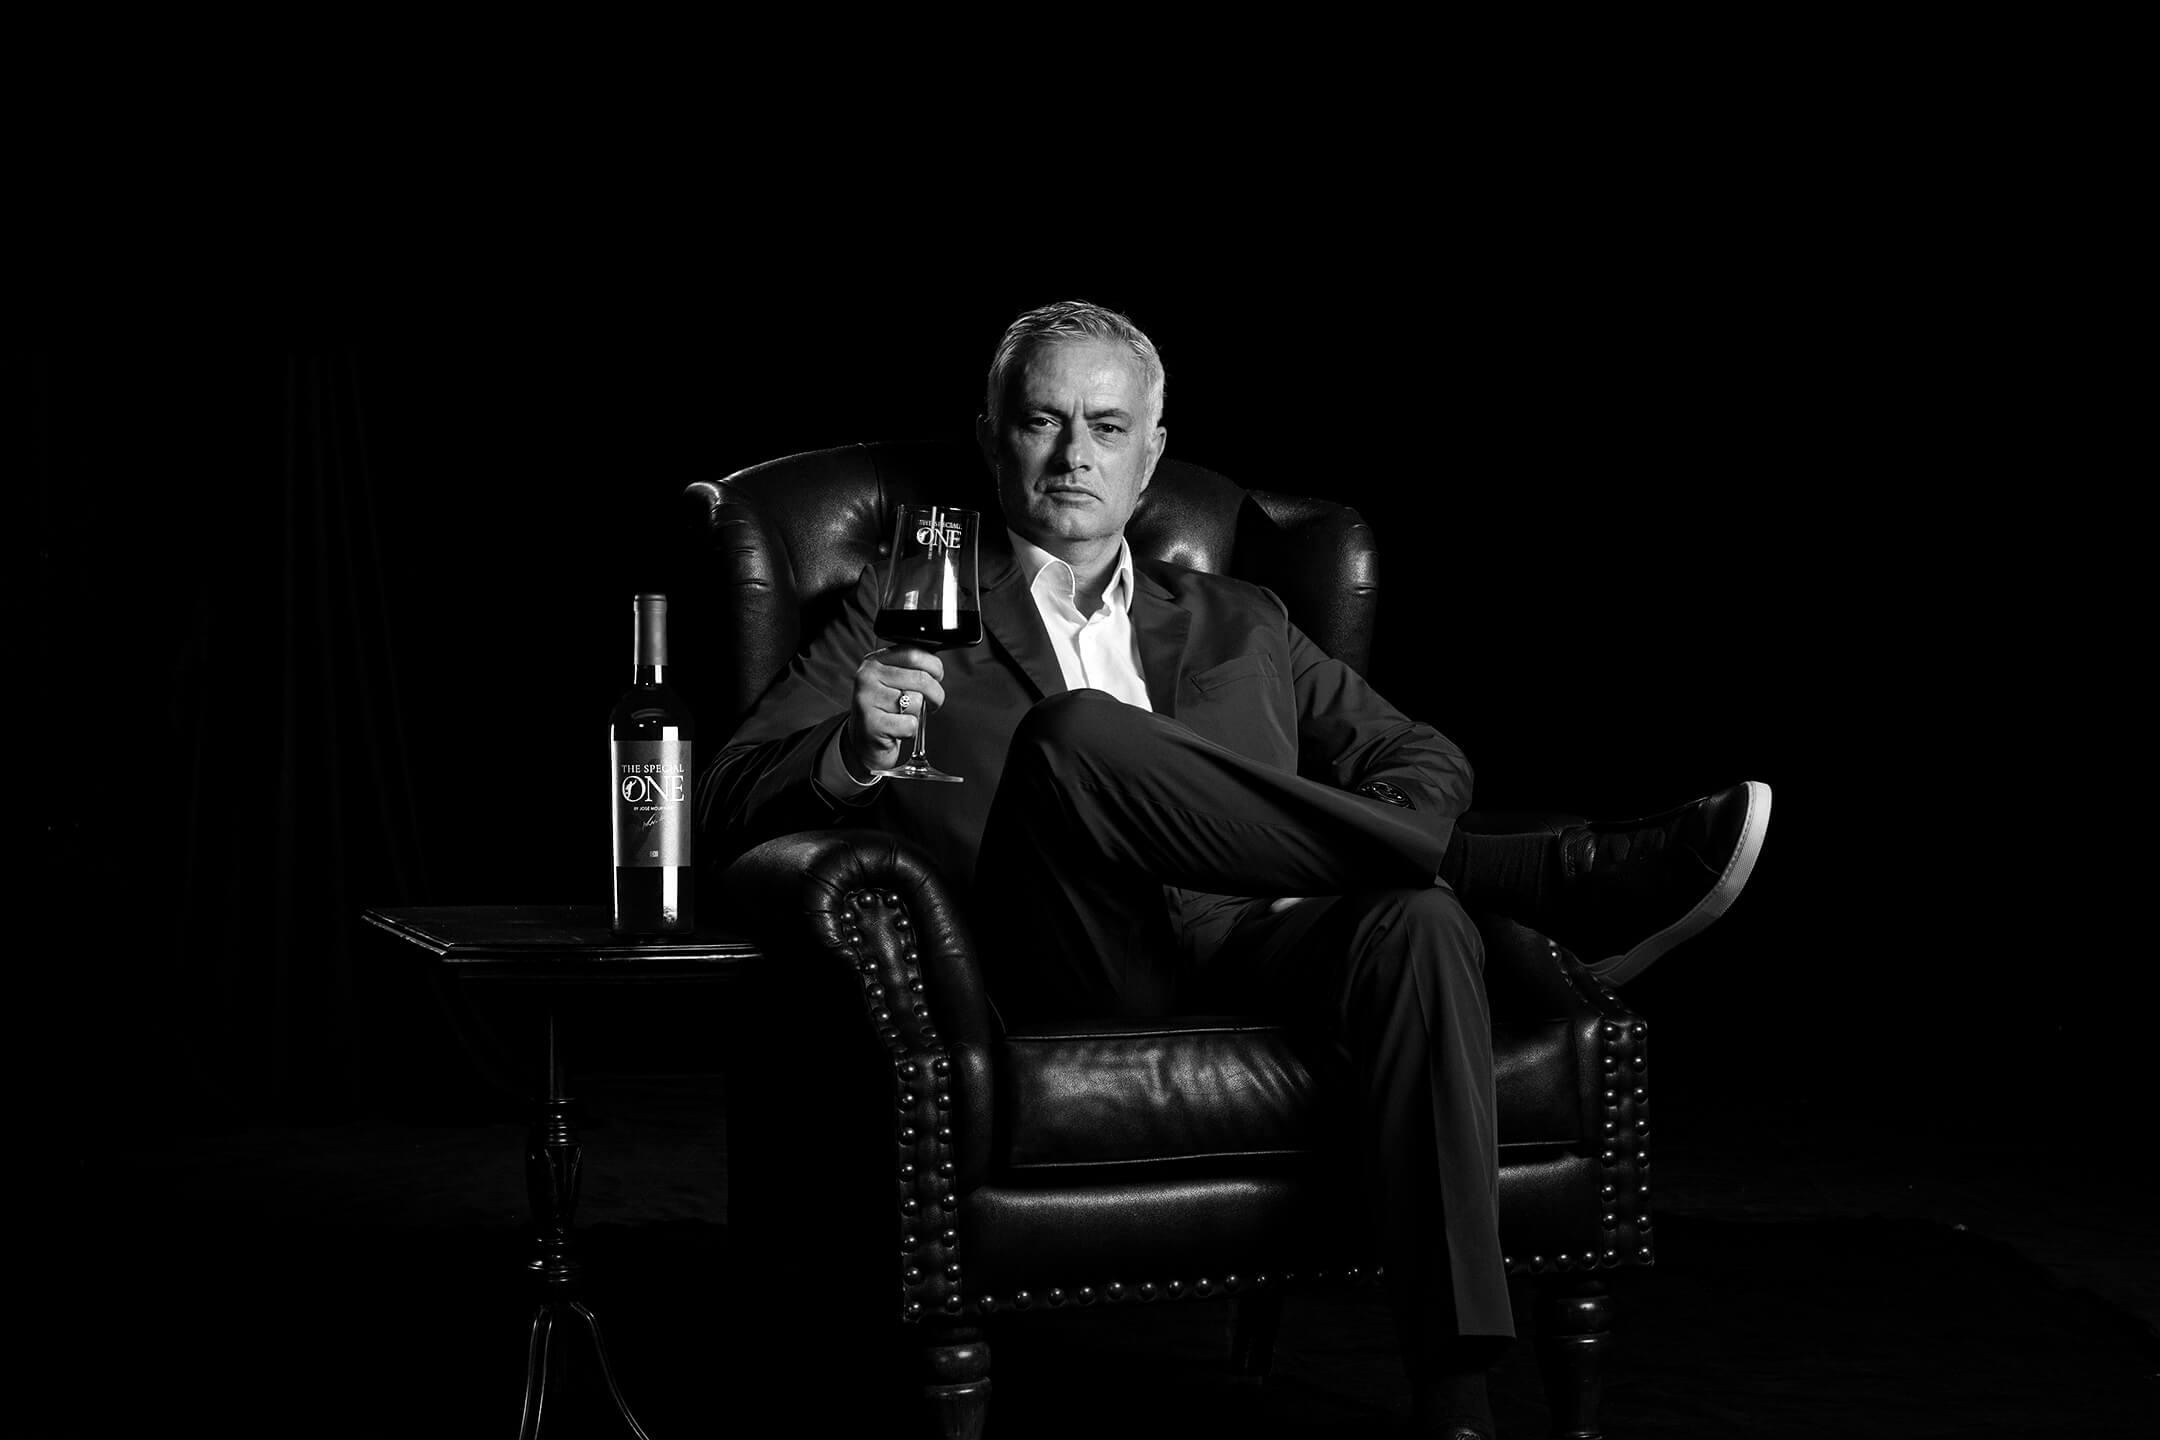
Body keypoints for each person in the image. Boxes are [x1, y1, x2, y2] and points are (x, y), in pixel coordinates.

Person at [701, 300, 1770, 1439]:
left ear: (1152, 452)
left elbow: (1416, 752)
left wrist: (1348, 844)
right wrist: (853, 750)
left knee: (1419, 924)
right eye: (1043, 422)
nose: (1075, 455)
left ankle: (1458, 1399)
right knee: (1073, 735)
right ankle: (1513, 873)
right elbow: (728, 801)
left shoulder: (1241, 617)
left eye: (1108, 427)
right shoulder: (907, 599)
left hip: (1255, 937)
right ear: (990, 434)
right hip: (1064, 956)